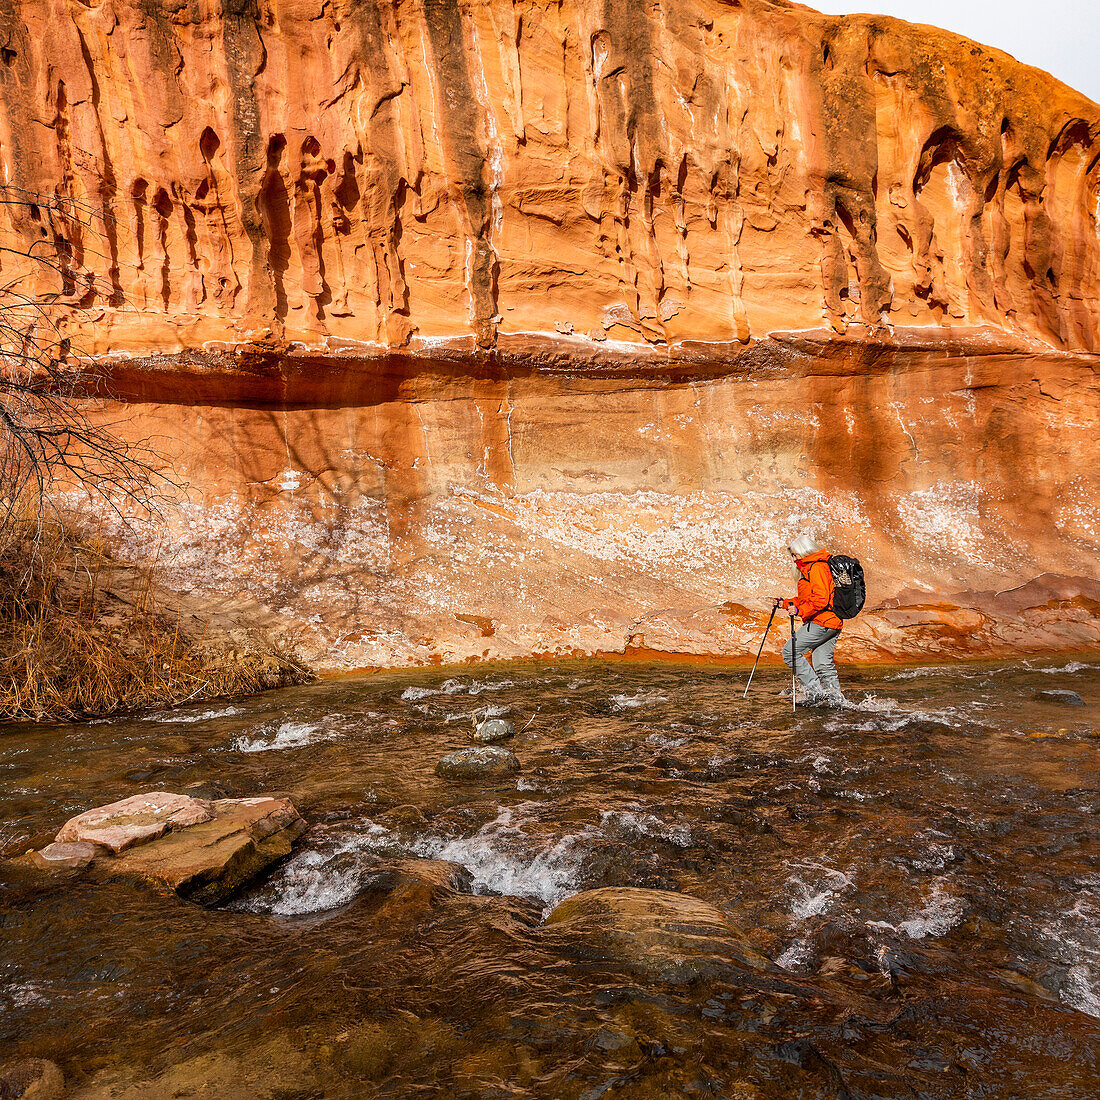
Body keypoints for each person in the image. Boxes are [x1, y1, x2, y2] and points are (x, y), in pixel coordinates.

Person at [775, 532, 844, 703]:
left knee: (790, 651)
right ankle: (837, 702)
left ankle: (815, 693)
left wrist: (799, 611)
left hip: (823, 621)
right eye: (792, 555)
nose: (793, 558)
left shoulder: (817, 567)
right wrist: (786, 603)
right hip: (831, 621)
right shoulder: (810, 568)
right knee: (822, 664)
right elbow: (808, 599)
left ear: (805, 551)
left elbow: (820, 600)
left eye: (795, 554)